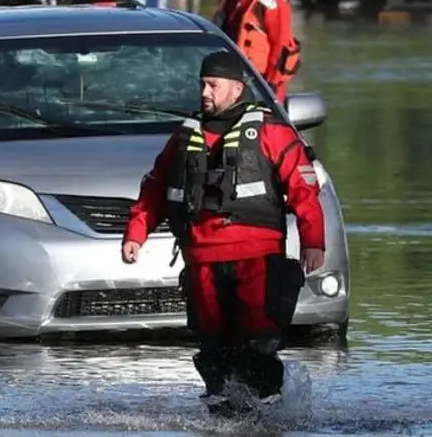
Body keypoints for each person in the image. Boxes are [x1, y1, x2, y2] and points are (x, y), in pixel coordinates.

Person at [121, 50, 325, 414]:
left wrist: (314, 241)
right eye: (201, 84)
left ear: (236, 88)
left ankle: (272, 415)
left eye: (212, 85)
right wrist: (135, 234)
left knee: (258, 342)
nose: (204, 92)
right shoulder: (185, 136)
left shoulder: (270, 132)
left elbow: (303, 189)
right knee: (213, 346)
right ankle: (223, 413)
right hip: (202, 260)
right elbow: (154, 188)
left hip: (257, 259)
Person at [213, 0, 301, 105]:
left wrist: (271, 86)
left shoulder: (271, 1)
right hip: (237, 81)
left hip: (262, 85)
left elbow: (281, 46)